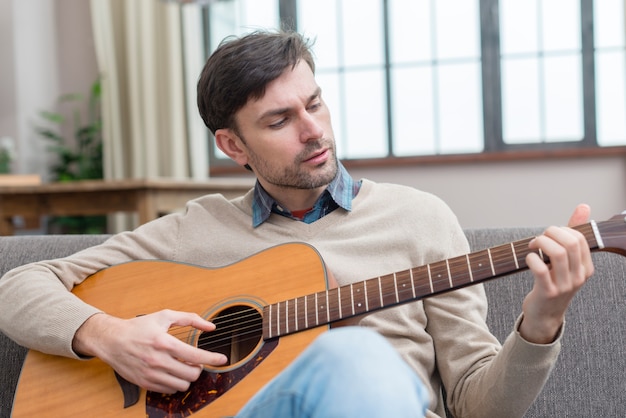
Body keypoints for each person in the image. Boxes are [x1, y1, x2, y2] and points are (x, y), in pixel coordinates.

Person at [0, 30, 594, 418]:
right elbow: (18, 286)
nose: (313, 131)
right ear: (233, 144)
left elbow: (476, 406)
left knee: (355, 357)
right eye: (280, 119)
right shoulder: (196, 228)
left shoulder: (421, 219)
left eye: (314, 104)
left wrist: (542, 321)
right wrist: (110, 336)